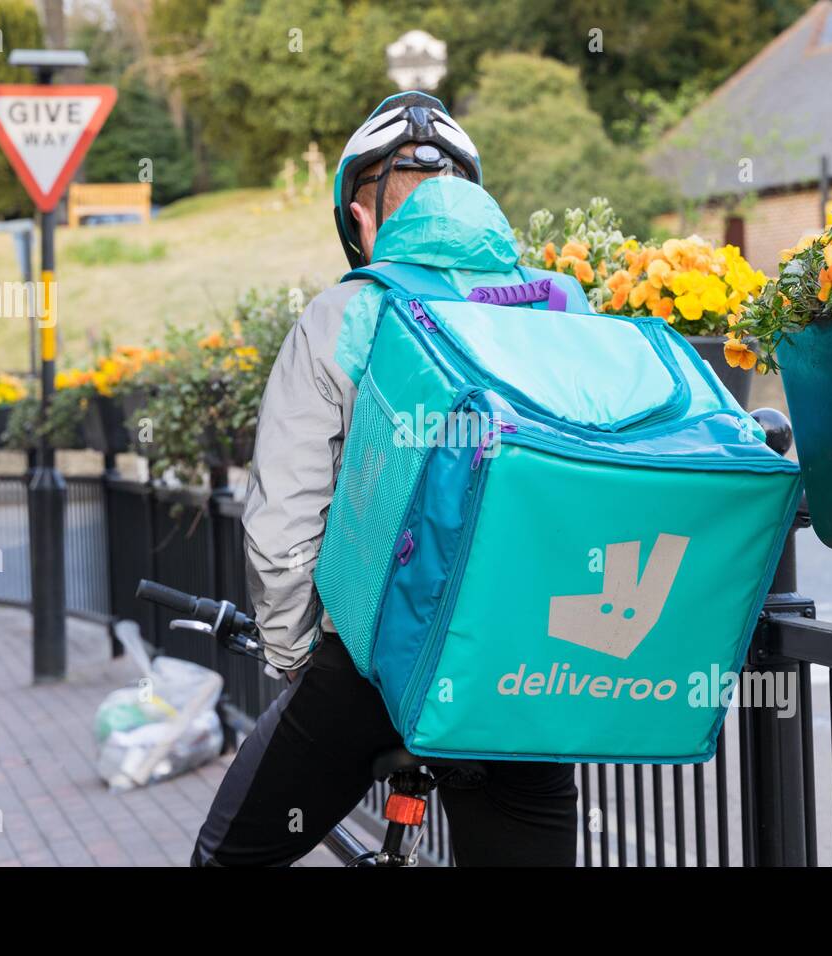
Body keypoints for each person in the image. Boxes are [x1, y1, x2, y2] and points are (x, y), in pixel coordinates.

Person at [191, 92, 579, 867]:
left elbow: (283, 523)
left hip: (378, 664)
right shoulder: (561, 305)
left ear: (362, 221)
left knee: (229, 856)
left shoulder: (347, 313)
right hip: (529, 661)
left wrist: (297, 653)